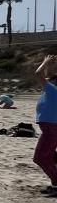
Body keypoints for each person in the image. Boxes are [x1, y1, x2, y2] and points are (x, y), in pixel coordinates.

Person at [33, 56, 57, 195]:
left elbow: (38, 74)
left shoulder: (53, 90)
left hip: (51, 129)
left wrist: (45, 62)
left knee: (40, 158)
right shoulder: (52, 89)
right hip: (50, 128)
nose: (47, 79)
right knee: (50, 157)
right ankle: (55, 185)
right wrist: (49, 65)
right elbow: (47, 75)